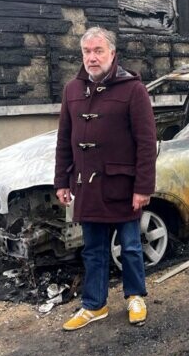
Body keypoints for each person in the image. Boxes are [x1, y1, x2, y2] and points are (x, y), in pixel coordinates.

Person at [54, 26, 156, 331]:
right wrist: (61, 181)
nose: (92, 57)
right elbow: (64, 139)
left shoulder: (133, 89)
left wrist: (143, 187)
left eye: (98, 51)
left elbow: (146, 142)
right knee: (93, 249)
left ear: (112, 53)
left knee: (131, 246)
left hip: (122, 186)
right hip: (86, 185)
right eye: (87, 51)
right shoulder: (72, 90)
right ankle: (94, 305)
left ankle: (135, 297)